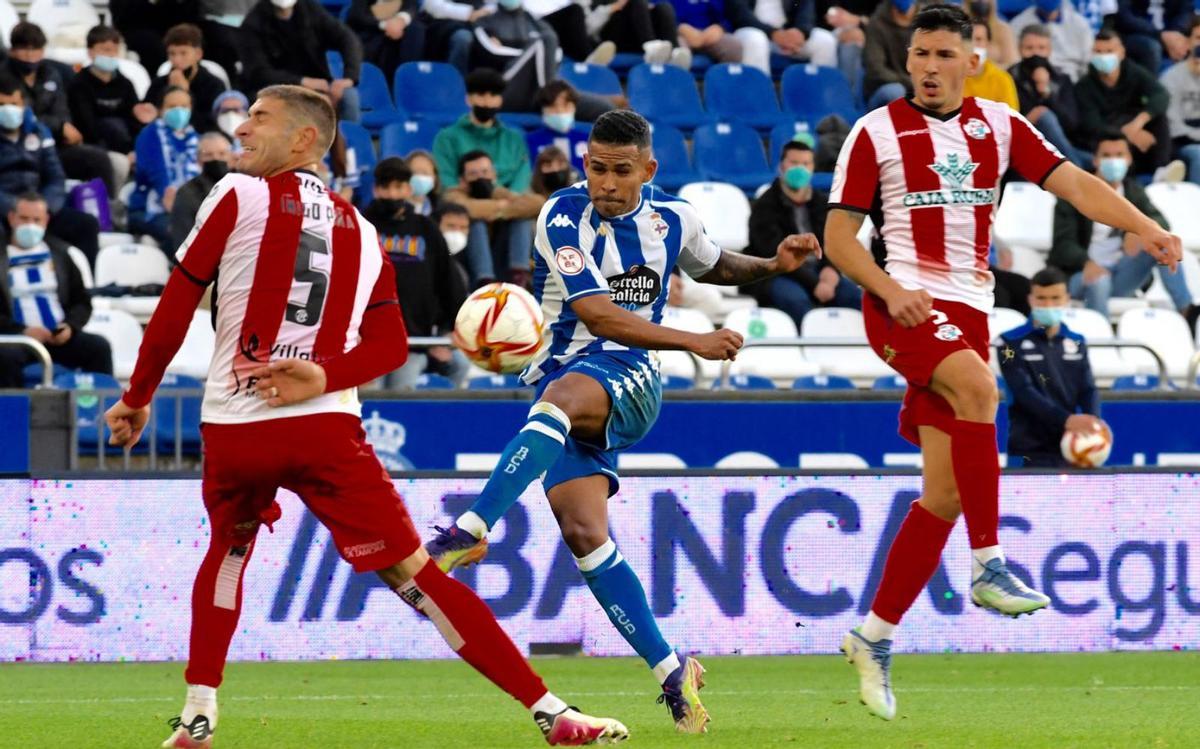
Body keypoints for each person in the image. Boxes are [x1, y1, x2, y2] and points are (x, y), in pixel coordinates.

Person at [102, 83, 628, 749]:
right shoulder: (365, 231)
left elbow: (179, 299)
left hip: (236, 426)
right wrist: (322, 374)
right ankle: (552, 711)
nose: (240, 129)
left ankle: (199, 712)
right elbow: (389, 346)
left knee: (228, 554)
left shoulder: (237, 194)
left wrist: (139, 394)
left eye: (257, 119)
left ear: (302, 141)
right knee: (416, 575)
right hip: (324, 428)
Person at [823, 3, 1181, 721]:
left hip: (968, 311)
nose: (926, 67)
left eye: (942, 55)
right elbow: (838, 238)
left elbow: (1075, 184)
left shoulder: (1002, 128)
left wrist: (1145, 224)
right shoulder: (876, 132)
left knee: (944, 495)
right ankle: (990, 564)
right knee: (982, 386)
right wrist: (892, 291)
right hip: (903, 306)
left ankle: (873, 635)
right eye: (918, 54)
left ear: (972, 59)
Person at [424, 108, 824, 734]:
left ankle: (469, 530)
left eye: (619, 171)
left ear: (648, 170)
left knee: (559, 398)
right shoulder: (561, 213)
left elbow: (712, 263)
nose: (605, 183)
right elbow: (598, 314)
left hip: (628, 378)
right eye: (596, 168)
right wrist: (693, 339)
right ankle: (672, 671)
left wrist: (773, 266)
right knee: (585, 534)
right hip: (569, 383)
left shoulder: (673, 218)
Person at [1048, 134, 1194, 315]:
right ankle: (1102, 340)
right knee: (1100, 281)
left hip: (1122, 273)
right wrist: (1086, 263)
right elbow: (1063, 245)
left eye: (1119, 155)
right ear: (1095, 160)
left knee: (1164, 245)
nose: (1113, 161)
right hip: (1081, 273)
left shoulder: (1133, 191)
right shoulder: (1074, 193)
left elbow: (1161, 222)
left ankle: (1187, 312)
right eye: (1107, 156)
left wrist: (1140, 231)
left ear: (1129, 159)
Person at [364, 157, 470, 388]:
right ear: (375, 189)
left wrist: (445, 334)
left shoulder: (425, 228)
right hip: (368, 341)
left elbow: (448, 282)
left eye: (398, 187)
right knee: (370, 397)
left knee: (407, 392)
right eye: (386, 187)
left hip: (413, 342)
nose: (392, 194)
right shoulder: (362, 225)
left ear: (408, 189)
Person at [0, 193, 112, 386]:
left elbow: (82, 301)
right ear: (11, 218)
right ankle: (13, 414)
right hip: (15, 339)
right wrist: (22, 331)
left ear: (46, 221)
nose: (30, 226)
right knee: (5, 357)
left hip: (57, 338)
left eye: (36, 220)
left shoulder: (62, 254)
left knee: (99, 348)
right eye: (24, 219)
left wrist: (70, 326)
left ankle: (98, 412)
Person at [747, 139, 859, 327]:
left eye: (806, 164)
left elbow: (835, 241)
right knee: (796, 302)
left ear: (813, 167)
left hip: (820, 270)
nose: (800, 168)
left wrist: (831, 271)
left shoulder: (823, 203)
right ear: (782, 165)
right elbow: (770, 251)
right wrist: (815, 284)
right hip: (778, 273)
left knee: (855, 297)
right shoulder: (764, 205)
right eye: (794, 163)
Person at [997, 267, 1102, 467]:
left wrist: (1093, 422)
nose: (1048, 305)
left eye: (1055, 298)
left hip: (1070, 448)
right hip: (1027, 450)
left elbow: (1088, 388)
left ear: (1067, 299)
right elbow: (1024, 393)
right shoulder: (1009, 342)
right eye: (1042, 298)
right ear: (1030, 300)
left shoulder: (1077, 341)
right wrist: (1067, 420)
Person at [5, 22, 122, 193]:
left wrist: (63, 127)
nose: (30, 56)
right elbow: (18, 115)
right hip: (17, 146)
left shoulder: (51, 73)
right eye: (24, 49)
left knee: (98, 159)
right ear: (12, 51)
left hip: (55, 145)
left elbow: (62, 110)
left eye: (35, 49)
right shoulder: (4, 78)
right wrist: (59, 127)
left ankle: (107, 212)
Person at [0, 73, 102, 267]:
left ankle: (86, 287)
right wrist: (16, 209)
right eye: (2, 105)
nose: (8, 110)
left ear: (23, 104)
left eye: (13, 104)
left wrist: (45, 208)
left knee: (86, 225)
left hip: (40, 206)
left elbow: (56, 176)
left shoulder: (39, 131)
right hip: (6, 211)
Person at [239, 0, 363, 122]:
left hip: (319, 83)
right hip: (274, 89)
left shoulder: (311, 11)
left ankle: (350, 139)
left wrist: (349, 77)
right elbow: (259, 72)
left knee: (349, 96)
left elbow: (348, 39)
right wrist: (302, 82)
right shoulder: (254, 23)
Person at [1074, 30, 1173, 175]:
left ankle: (1162, 171)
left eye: (1109, 51)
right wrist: (1126, 134)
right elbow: (1092, 125)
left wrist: (1138, 123)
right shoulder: (1084, 86)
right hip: (1106, 134)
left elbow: (1161, 95)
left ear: (1121, 52)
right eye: (1098, 52)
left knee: (1159, 118)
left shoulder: (1134, 72)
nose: (1103, 56)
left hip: (1133, 124)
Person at [444, 149, 543, 286]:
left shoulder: (498, 192)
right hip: (468, 264)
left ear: (494, 175)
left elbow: (538, 204)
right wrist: (502, 207)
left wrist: (497, 201)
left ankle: (519, 277)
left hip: (503, 260)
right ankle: (484, 282)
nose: (481, 178)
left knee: (521, 219)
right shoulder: (453, 195)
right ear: (462, 181)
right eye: (473, 174)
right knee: (476, 223)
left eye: (485, 172)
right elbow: (467, 208)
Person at [433, 69, 532, 193]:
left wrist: (506, 201)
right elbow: (447, 182)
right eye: (481, 95)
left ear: (500, 100)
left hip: (510, 206)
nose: (487, 102)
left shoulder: (514, 138)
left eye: (493, 95)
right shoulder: (447, 138)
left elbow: (521, 180)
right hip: (465, 205)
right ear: (468, 99)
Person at [67, 25, 159, 157]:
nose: (110, 55)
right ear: (90, 52)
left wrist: (143, 117)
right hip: (94, 149)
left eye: (114, 51)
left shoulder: (125, 84)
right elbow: (86, 125)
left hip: (129, 148)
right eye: (105, 50)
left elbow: (133, 117)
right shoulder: (78, 84)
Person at [129, 86, 200, 251]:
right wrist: (175, 203)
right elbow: (156, 172)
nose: (179, 111)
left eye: (184, 106)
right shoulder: (150, 134)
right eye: (172, 106)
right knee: (184, 235)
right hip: (150, 209)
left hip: (188, 209)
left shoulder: (196, 138)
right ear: (160, 110)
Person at [1009, 24, 1091, 167]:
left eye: (1041, 48)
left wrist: (1046, 93)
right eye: (1029, 48)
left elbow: (1071, 123)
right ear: (1020, 50)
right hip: (1024, 145)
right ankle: (1077, 171)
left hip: (1059, 144)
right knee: (1045, 116)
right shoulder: (1009, 78)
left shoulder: (1061, 79)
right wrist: (1028, 119)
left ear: (1049, 50)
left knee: (1097, 159)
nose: (1035, 54)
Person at [146, 24, 227, 136]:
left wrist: (185, 94)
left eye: (183, 53)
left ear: (198, 54)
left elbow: (213, 123)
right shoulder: (159, 83)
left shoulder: (213, 84)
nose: (177, 59)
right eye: (172, 53)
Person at [724, 0, 839, 74]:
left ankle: (821, 100)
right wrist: (773, 33)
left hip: (787, 34)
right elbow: (740, 14)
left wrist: (801, 32)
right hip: (751, 31)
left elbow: (806, 10)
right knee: (756, 40)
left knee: (825, 41)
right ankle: (760, 101)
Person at [169, 131, 234, 248]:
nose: (216, 159)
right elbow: (183, 240)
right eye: (208, 155)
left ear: (230, 156)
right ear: (198, 160)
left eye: (222, 154)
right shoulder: (187, 193)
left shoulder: (245, 186)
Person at [1009, 0, 1094, 82]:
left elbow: (1087, 60)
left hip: (1073, 79)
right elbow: (1014, 59)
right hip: (1028, 78)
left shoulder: (1079, 23)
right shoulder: (1018, 23)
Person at [346, 0, 426, 83]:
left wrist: (401, 20)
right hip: (372, 35)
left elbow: (412, 6)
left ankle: (409, 78)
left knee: (416, 29)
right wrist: (385, 25)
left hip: (399, 36)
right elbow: (356, 16)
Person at [1161, 16, 1200, 185]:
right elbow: (1173, 124)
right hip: (1183, 143)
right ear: (1188, 42)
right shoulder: (1172, 77)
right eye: (1198, 38)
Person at [863, 0, 918, 110]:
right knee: (895, 92)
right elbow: (876, 69)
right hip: (885, 86)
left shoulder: (927, 21)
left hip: (919, 85)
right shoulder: (877, 23)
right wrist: (909, 82)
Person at [1112, 0, 1192, 74]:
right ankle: (1150, 88)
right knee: (1152, 47)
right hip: (1135, 34)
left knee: (1191, 42)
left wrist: (1176, 32)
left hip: (1172, 34)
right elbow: (1124, 16)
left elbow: (1185, 11)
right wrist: (1160, 35)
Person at [526, 80, 588, 174]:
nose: (560, 112)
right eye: (553, 107)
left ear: (575, 107)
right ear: (543, 110)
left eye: (566, 106)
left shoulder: (588, 139)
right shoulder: (530, 141)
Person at [963, 20, 1019, 110]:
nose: (973, 45)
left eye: (978, 39)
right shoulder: (954, 77)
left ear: (988, 44)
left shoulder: (1002, 79)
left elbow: (1011, 117)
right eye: (969, 39)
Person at [668, 0, 746, 64]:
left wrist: (721, 27)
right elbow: (662, 12)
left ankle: (725, 81)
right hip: (680, 33)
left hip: (708, 33)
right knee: (679, 51)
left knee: (733, 46)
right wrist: (679, 28)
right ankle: (679, 81)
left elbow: (727, 17)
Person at [967, 0, 1018, 68]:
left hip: (996, 76)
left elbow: (1013, 64)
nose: (981, 1)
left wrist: (985, 70)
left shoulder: (1002, 29)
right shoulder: (959, 27)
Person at [405, 149, 441, 216]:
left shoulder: (440, 209)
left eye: (425, 173)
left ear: (435, 177)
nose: (419, 177)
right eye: (414, 172)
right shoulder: (395, 207)